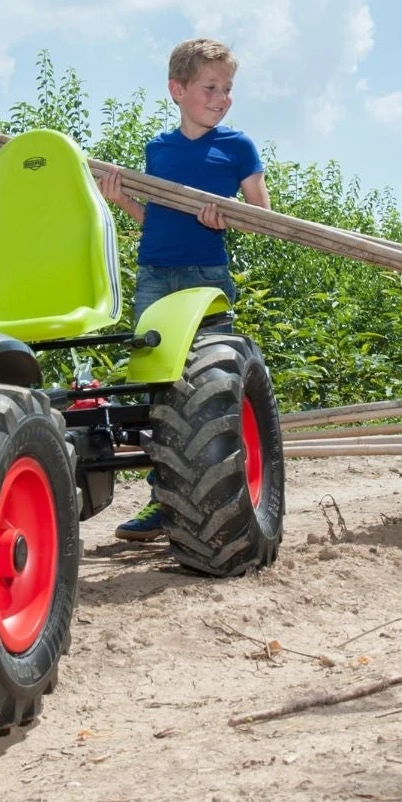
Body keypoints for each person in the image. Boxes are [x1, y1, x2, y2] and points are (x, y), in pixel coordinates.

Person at [98, 37, 271, 541]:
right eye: (210, 87)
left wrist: (227, 220)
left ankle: (222, 498)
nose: (222, 97)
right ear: (177, 90)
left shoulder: (237, 147)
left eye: (228, 88)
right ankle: (163, 501)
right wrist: (123, 199)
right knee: (159, 390)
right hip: (156, 273)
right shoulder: (159, 148)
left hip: (205, 277)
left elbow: (263, 216)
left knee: (209, 387)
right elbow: (155, 219)